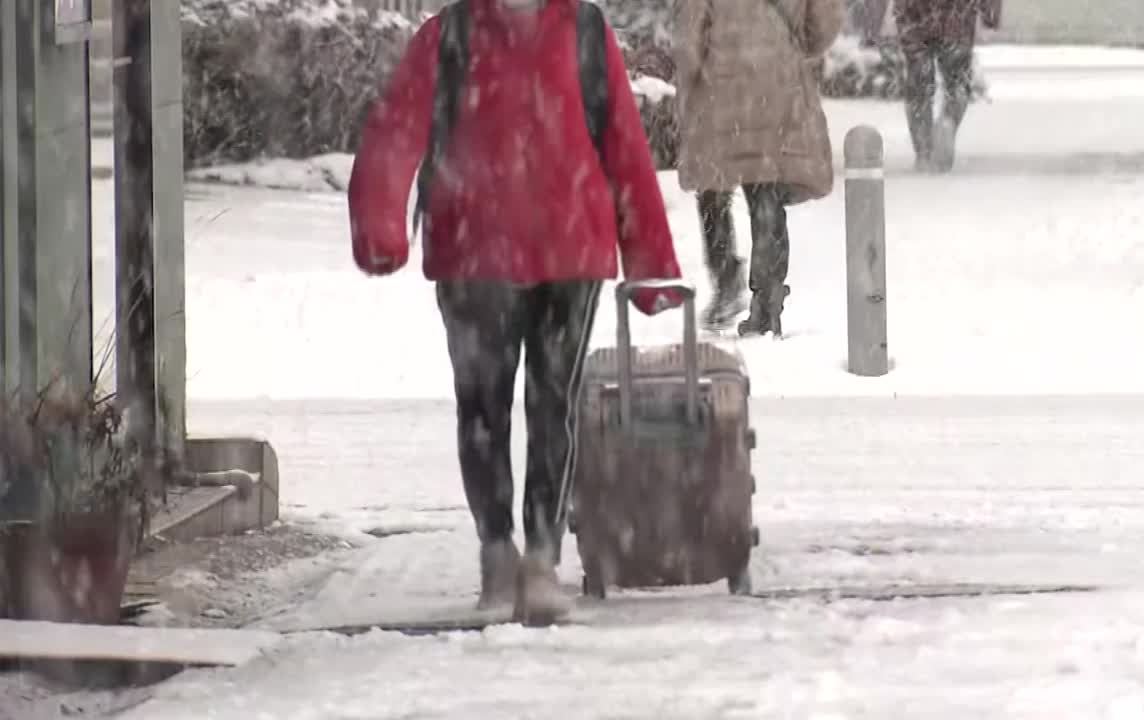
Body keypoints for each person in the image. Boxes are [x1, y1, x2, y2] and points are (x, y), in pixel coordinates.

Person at [347, 0, 684, 626]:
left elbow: (623, 145)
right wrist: (379, 227)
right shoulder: (448, 36)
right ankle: (499, 552)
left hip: (566, 255)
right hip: (477, 257)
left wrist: (652, 262)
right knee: (484, 407)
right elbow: (395, 134)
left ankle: (540, 559)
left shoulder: (583, 30)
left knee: (552, 404)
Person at [674, 0, 844, 336]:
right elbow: (825, 21)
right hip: (778, 83)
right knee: (766, 191)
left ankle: (726, 280)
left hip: (718, 86)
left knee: (713, 190)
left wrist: (686, 88)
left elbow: (689, 38)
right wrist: (790, 45)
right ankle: (767, 301)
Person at [864, 0, 1001, 172]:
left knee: (918, 81)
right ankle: (948, 121)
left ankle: (923, 153)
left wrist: (875, 21)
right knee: (957, 79)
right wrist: (990, 16)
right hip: (958, 13)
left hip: (913, 13)